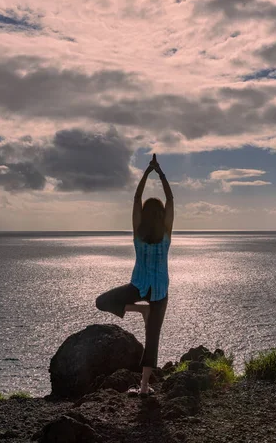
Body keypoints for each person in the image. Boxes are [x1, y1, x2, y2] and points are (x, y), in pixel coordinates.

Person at [95, 153, 174, 397]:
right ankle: (143, 387)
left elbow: (137, 197)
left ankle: (140, 310)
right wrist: (159, 173)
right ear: (161, 216)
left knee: (102, 301)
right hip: (159, 290)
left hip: (138, 287)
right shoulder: (166, 233)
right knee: (153, 339)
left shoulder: (138, 234)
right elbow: (170, 198)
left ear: (144, 215)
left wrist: (147, 173)